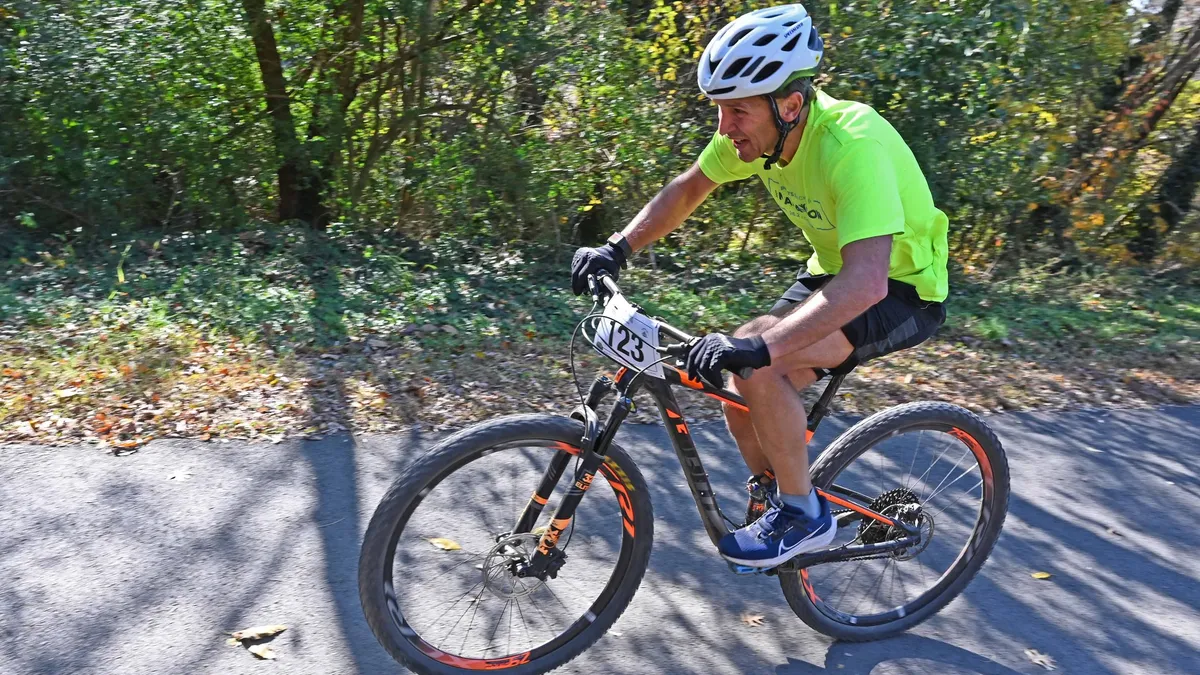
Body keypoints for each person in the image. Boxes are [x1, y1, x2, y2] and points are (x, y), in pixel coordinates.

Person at [570, 3, 949, 569]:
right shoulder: (761, 132)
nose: (725, 128)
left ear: (790, 104)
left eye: (737, 111)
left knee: (759, 360)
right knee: (740, 367)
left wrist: (764, 350)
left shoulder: (852, 145)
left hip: (900, 288)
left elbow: (867, 281)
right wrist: (617, 248)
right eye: (720, 110)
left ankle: (802, 515)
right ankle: (785, 493)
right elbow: (689, 187)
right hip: (834, 272)